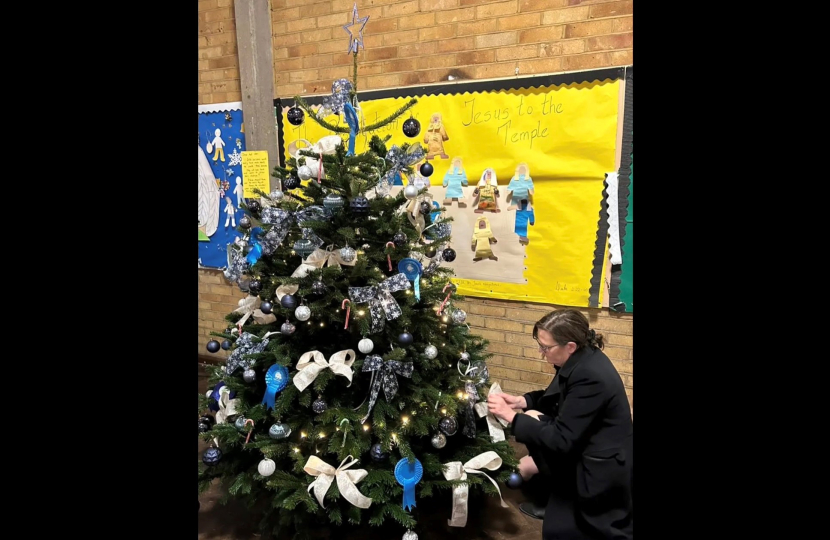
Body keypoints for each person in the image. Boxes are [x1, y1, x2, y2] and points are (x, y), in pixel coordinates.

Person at [487, 309, 633, 540]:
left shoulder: (590, 375)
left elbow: (561, 438)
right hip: (587, 448)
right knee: (557, 527)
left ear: (570, 346)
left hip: (601, 467)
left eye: (545, 347)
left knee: (600, 530)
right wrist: (521, 401)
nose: (541, 353)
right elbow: (559, 396)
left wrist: (512, 417)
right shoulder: (581, 358)